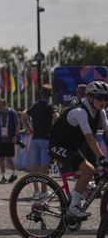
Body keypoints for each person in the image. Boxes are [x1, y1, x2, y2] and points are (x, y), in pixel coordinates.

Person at [48, 80, 108, 218]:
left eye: (106, 97)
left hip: (73, 145)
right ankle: (73, 207)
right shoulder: (80, 111)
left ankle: (78, 194)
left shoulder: (101, 111)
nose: (103, 101)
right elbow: (90, 139)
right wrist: (103, 159)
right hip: (57, 145)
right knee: (89, 169)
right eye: (99, 97)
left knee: (90, 172)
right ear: (90, 97)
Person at [21, 84, 59, 194]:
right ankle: (44, 190)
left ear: (41, 93)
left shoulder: (34, 106)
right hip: (46, 138)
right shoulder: (51, 106)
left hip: (35, 138)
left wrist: (30, 129)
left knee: (35, 165)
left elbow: (23, 118)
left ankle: (36, 190)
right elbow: (57, 118)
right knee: (45, 166)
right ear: (50, 95)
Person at [0, 98, 20, 184]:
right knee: (1, 159)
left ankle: (15, 173)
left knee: (10, 159)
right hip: (0, 139)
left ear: (4, 104)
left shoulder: (12, 113)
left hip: (9, 139)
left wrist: (15, 136)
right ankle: (3, 176)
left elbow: (17, 125)